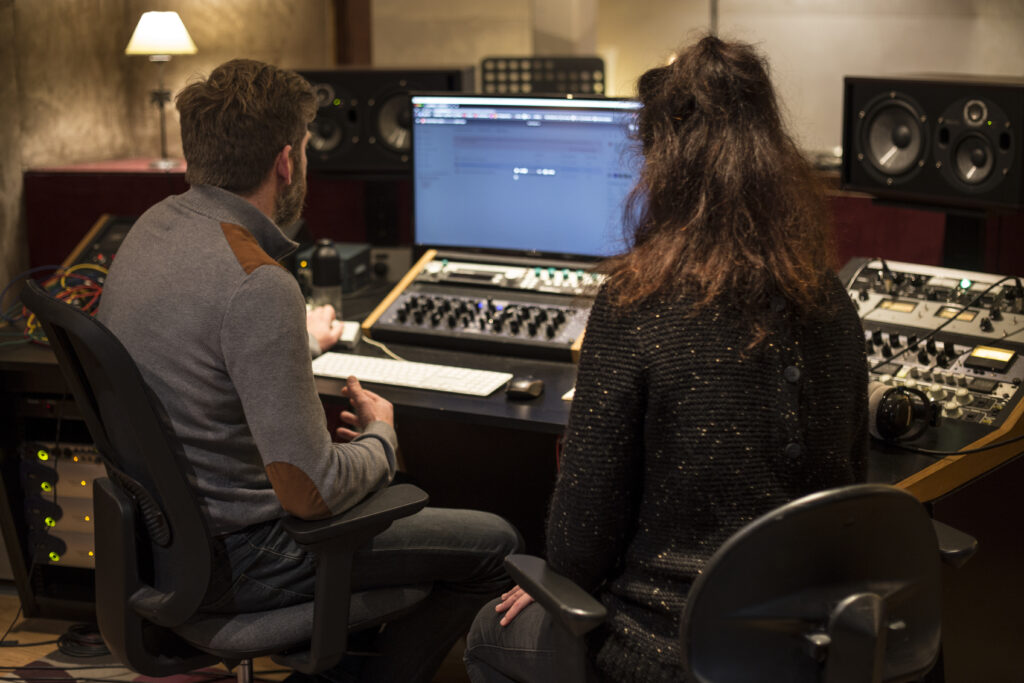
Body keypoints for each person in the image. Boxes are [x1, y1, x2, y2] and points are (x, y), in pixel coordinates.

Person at [96, 58, 520, 683]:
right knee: (497, 542)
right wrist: (382, 436)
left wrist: (297, 344)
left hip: (165, 552)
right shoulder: (258, 285)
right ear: (287, 162)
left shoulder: (151, 230)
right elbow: (312, 492)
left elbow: (204, 345)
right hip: (251, 559)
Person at [463, 35, 868, 683]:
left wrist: (553, 582)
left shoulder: (636, 303)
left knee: (490, 633)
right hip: (803, 651)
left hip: (659, 650)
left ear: (661, 161)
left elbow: (576, 542)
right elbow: (849, 488)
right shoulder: (831, 302)